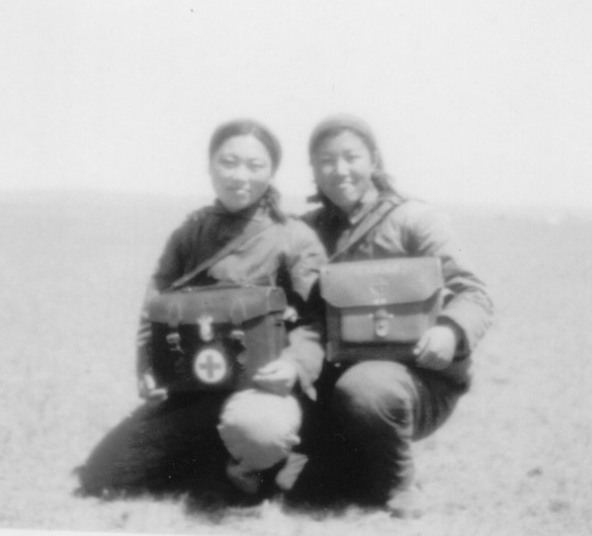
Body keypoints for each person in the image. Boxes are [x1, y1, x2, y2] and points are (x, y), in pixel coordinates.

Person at [77, 119, 327, 504]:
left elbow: (317, 321)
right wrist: (147, 365)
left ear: (271, 172)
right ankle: (212, 461)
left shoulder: (293, 237)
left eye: (255, 166)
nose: (240, 176)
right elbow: (155, 306)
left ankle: (261, 468)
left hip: (260, 389)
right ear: (210, 165)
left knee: (259, 431)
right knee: (103, 478)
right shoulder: (190, 232)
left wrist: (294, 364)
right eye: (228, 162)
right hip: (193, 390)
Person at [293, 114, 493, 517]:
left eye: (351, 157)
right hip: (333, 379)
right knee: (309, 489)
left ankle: (397, 483)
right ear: (313, 169)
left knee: (366, 387)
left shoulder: (413, 219)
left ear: (374, 160)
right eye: (327, 160)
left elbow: (474, 294)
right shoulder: (304, 230)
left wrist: (449, 331)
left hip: (415, 380)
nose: (340, 170)